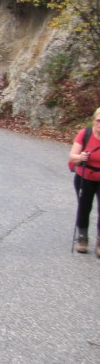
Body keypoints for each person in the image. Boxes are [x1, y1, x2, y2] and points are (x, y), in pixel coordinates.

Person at [69, 108, 100, 256]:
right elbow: (72, 156)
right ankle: (82, 238)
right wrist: (80, 157)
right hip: (84, 176)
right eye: (99, 120)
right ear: (94, 120)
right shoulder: (85, 134)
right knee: (84, 207)